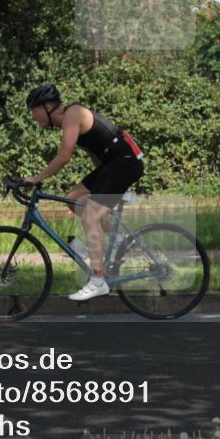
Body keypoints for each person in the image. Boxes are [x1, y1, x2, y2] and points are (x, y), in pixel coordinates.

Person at [23, 84, 144, 301]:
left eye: (35, 110)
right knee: (73, 199)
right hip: (113, 165)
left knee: (90, 217)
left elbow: (64, 156)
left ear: (48, 107)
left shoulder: (73, 113)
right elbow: (96, 152)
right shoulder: (71, 119)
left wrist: (36, 178)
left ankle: (98, 281)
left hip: (124, 163)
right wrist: (102, 188)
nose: (33, 116)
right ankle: (118, 239)